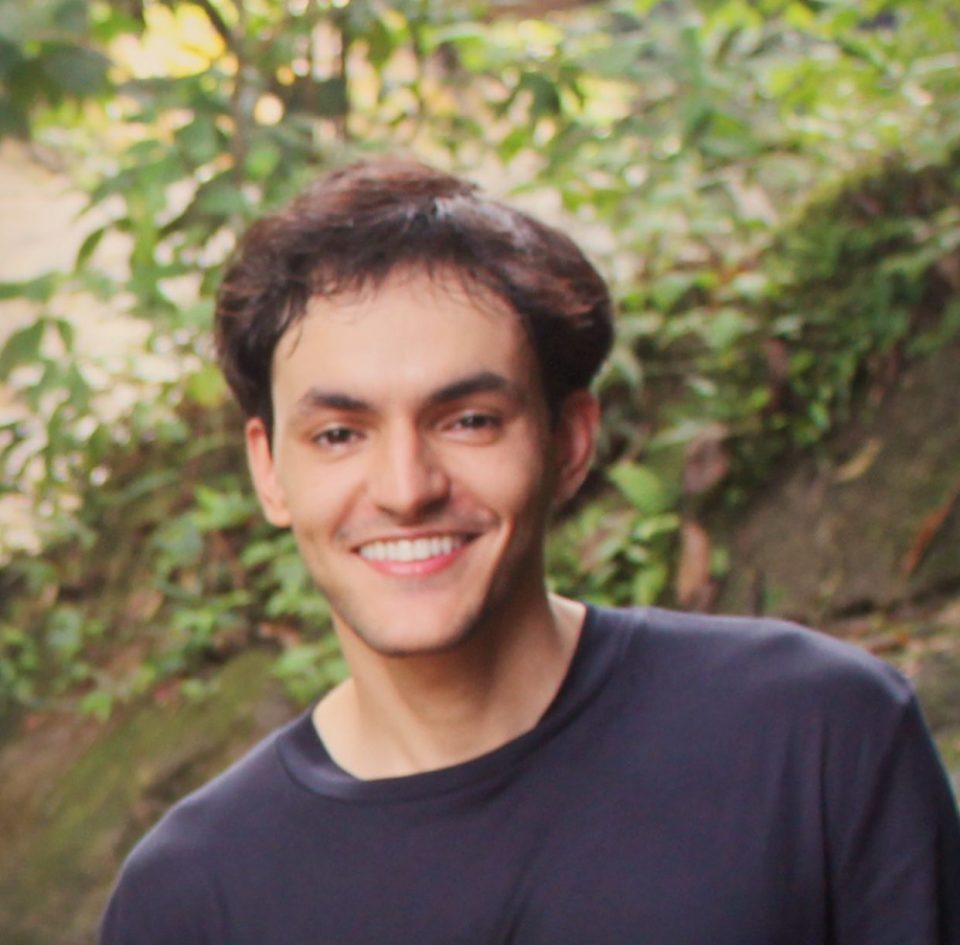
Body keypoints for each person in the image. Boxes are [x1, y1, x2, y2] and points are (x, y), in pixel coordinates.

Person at [100, 159, 960, 944]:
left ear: (569, 441)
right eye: (338, 433)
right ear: (269, 471)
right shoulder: (193, 896)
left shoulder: (812, 737)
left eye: (469, 420)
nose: (405, 487)